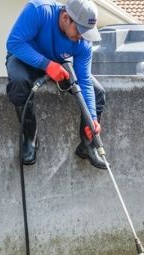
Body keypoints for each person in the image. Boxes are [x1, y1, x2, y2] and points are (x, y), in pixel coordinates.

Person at [6, 0, 106, 168]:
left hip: (57, 64)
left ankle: (88, 145)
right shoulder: (38, 10)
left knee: (98, 93)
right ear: (66, 17)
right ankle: (30, 139)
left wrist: (92, 118)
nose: (81, 36)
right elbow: (14, 43)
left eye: (86, 32)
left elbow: (85, 82)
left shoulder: (83, 42)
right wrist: (47, 65)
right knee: (18, 84)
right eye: (79, 30)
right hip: (24, 57)